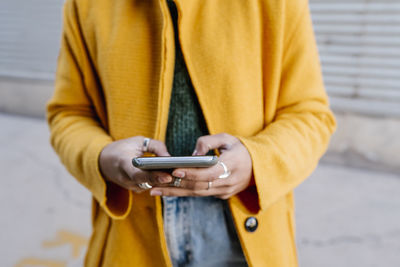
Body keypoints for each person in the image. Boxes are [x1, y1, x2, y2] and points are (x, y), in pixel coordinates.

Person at [47, 0, 336, 266]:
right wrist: (101, 157)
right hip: (132, 233)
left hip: (242, 231)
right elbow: (69, 113)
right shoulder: (87, 5)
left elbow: (310, 114)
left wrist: (256, 162)